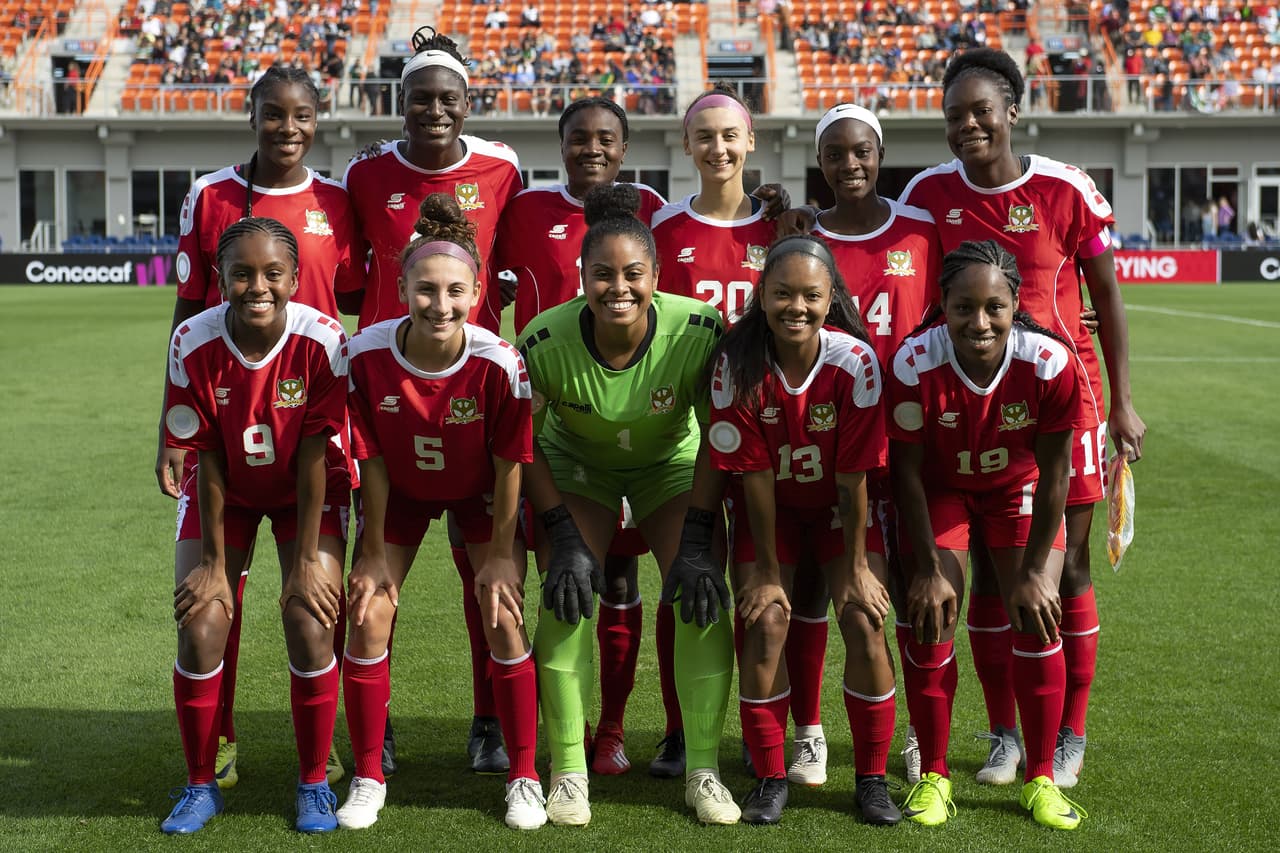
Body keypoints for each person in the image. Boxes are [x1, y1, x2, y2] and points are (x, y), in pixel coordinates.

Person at [899, 47, 1146, 790]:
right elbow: (892, 259)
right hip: (968, 409)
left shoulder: (1065, 188)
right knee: (984, 572)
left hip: (1061, 403)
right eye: (954, 116)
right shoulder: (927, 192)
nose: (968, 124)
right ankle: (1005, 732)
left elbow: (1108, 296)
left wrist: (1125, 400)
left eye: (982, 111)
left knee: (1062, 567)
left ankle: (1069, 732)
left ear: (1013, 111)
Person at [157, 65, 361, 794]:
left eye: (301, 115)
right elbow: (186, 312)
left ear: (318, 119)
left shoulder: (339, 201)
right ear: (251, 115)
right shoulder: (210, 195)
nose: (287, 128)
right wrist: (171, 428)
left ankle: (329, 748)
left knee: (316, 597)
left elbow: (359, 303)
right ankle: (220, 744)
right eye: (272, 114)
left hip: (311, 413)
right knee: (214, 598)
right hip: (224, 410)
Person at [519, 183, 739, 826]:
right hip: (577, 466)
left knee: (701, 594)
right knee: (566, 593)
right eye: (603, 274)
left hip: (669, 463)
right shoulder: (542, 340)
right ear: (581, 277)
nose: (619, 287)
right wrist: (560, 532)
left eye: (634, 274)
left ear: (657, 276)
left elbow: (718, 437)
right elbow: (524, 445)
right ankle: (567, 771)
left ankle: (704, 769)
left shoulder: (698, 327)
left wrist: (698, 537)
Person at [342, 26, 524, 776]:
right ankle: (372, 735)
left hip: (473, 395)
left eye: (447, 98)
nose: (434, 110)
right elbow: (350, 282)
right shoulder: (363, 176)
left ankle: (491, 724)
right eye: (421, 99)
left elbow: (511, 270)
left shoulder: (505, 170)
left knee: (485, 579)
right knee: (375, 576)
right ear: (402, 101)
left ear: (466, 101)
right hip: (389, 391)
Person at [339, 193, 543, 831]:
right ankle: (368, 774)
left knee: (502, 614)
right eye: (425, 289)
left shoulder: (498, 362)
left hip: (478, 492)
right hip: (398, 491)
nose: (441, 304)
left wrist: (505, 553)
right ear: (400, 287)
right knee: (369, 610)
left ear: (478, 291)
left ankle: (525, 775)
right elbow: (367, 456)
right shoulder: (365, 354)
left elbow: (512, 462)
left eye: (456, 291)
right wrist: (372, 548)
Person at [492, 97, 666, 778]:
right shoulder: (527, 212)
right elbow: (485, 285)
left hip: (630, 420)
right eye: (579, 138)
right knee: (561, 572)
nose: (592, 149)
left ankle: (614, 731)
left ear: (624, 148)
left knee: (620, 573)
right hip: (548, 420)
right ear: (560, 144)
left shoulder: (653, 210)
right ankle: (569, 726)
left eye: (605, 139)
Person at [887, 239, 1087, 831]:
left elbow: (1055, 478)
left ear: (1015, 303)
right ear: (942, 305)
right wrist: (926, 566)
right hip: (942, 491)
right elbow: (907, 475)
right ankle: (935, 775)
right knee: (931, 615)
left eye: (994, 307)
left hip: (1015, 491)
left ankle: (1042, 777)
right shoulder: (912, 362)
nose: (979, 322)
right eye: (963, 307)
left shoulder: (1048, 363)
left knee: (1036, 610)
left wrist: (1032, 572)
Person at [706, 235, 900, 826]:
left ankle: (871, 777)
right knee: (766, 621)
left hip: (842, 514)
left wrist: (860, 568)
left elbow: (854, 473)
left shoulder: (853, 360)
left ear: (831, 297)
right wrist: (765, 571)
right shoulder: (735, 364)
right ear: (761, 294)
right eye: (783, 293)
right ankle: (768, 776)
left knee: (864, 618)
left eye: (811, 296)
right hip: (773, 517)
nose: (797, 307)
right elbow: (756, 478)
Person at [810, 102, 942, 785]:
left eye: (860, 151)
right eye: (835, 153)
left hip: (915, 450)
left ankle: (923, 736)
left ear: (879, 154)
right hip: (840, 456)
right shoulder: (805, 239)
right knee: (853, 603)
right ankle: (810, 733)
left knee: (925, 595)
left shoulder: (921, 230)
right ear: (821, 161)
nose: (850, 164)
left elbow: (974, 299)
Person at [652, 83, 780, 329]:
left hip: (759, 368)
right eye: (704, 137)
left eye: (730, 135)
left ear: (750, 140)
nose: (718, 149)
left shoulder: (778, 222)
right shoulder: (661, 226)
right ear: (687, 144)